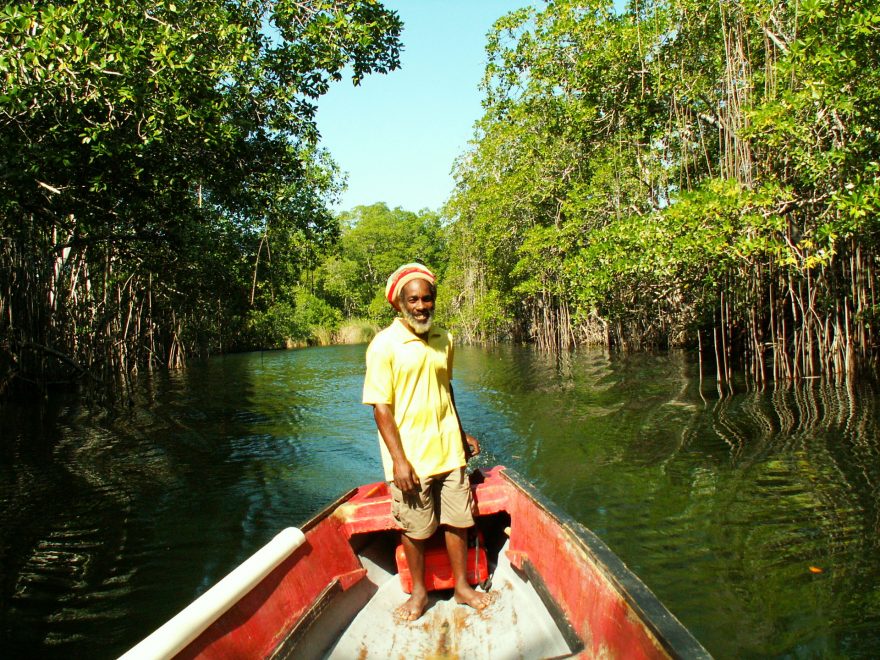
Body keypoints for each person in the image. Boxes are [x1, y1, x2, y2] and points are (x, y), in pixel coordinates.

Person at [362, 262, 492, 621]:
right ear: (398, 304)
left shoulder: (443, 340)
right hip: (411, 459)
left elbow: (445, 390)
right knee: (416, 529)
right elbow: (381, 408)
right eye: (414, 300)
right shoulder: (383, 346)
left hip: (449, 450)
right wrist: (399, 461)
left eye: (427, 299)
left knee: (458, 521)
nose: (421, 306)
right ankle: (419, 593)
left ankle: (463, 588)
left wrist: (461, 433)